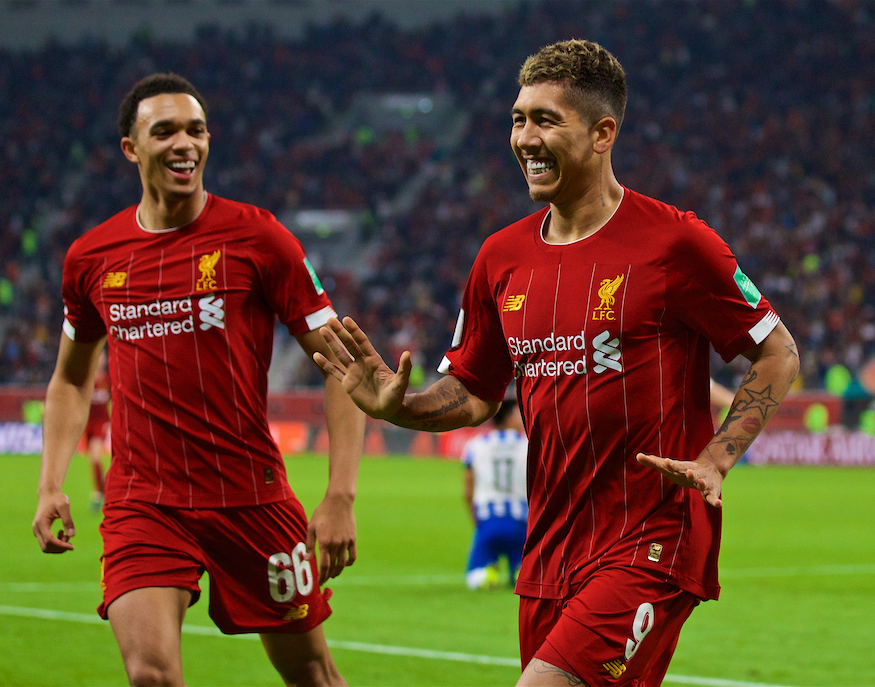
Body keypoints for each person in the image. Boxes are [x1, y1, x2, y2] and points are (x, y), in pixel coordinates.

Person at [313, 40, 798, 686]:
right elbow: (474, 392)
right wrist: (398, 405)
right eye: (518, 118)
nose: (525, 137)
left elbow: (777, 350)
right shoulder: (500, 258)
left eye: (545, 119)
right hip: (549, 552)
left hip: (649, 538)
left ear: (603, 133)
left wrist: (717, 458)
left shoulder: (675, 243)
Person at [31, 73, 365, 687]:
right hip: (144, 501)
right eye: (165, 131)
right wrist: (50, 481)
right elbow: (71, 381)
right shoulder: (92, 258)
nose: (185, 143)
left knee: (312, 675)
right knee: (151, 675)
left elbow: (344, 365)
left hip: (251, 496)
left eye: (197, 130)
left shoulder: (259, 238)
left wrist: (340, 494)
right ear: (132, 148)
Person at [462, 398, 528, 590]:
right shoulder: (528, 443)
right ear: (508, 418)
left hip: (488, 520)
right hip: (520, 523)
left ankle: (487, 573)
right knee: (527, 573)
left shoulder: (476, 444)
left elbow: (468, 489)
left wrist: (476, 520)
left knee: (476, 577)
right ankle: (519, 572)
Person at [83, 348, 111, 513]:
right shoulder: (87, 380)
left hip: (102, 423)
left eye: (102, 357)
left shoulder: (108, 379)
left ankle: (97, 494)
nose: (101, 360)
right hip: (88, 423)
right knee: (93, 460)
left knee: (95, 456)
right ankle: (103, 492)